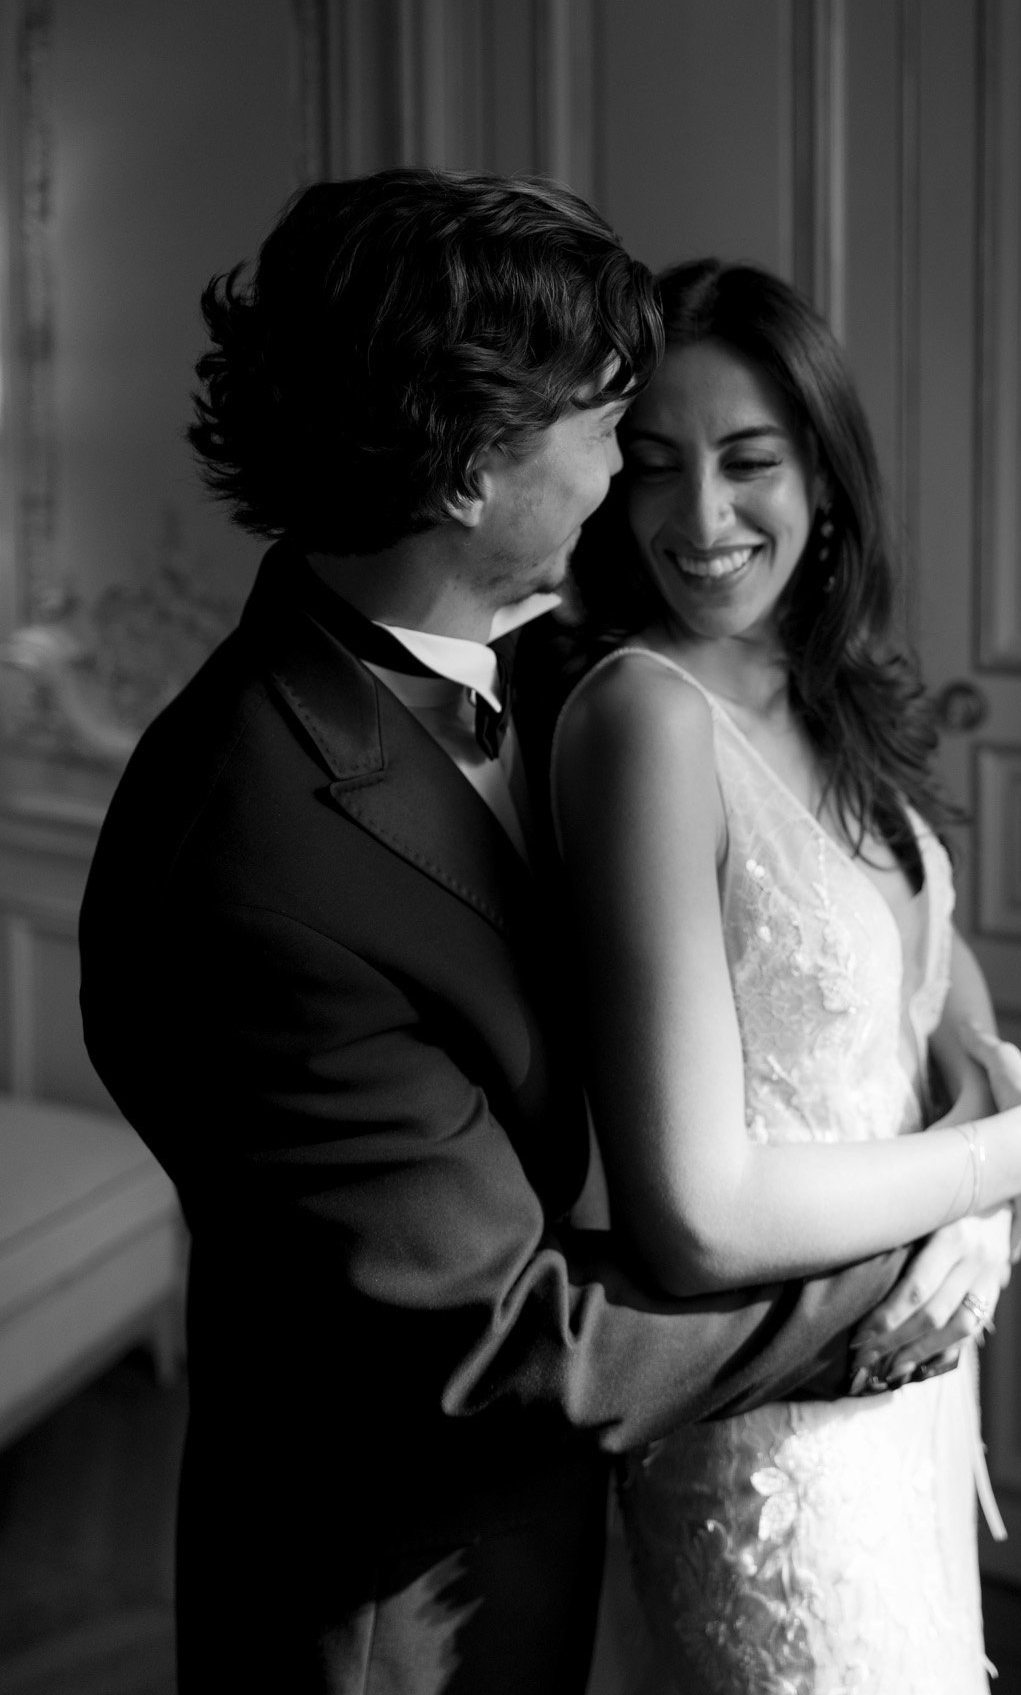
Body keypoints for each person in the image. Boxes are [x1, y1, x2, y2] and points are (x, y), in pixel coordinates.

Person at [77, 172, 957, 1695]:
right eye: (610, 425)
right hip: (393, 1608)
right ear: (478, 463)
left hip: (567, 1535)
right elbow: (506, 1341)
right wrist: (897, 1282)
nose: (633, 474)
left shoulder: (550, 673)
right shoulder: (248, 849)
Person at [554, 259, 1021, 1693]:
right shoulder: (644, 720)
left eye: (747, 462)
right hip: (775, 1438)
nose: (700, 520)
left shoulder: (815, 682)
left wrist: (983, 1132)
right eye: (652, 467)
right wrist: (1010, 1154)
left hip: (904, 1387)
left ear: (825, 478)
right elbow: (691, 1223)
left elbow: (922, 953)